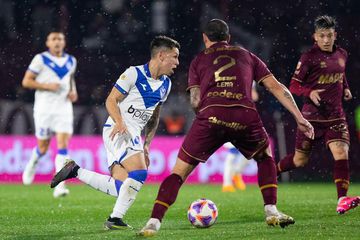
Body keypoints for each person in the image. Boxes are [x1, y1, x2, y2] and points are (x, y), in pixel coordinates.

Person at [139, 19, 314, 236]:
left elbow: (194, 100)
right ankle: (271, 210)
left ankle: (154, 222)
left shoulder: (199, 60)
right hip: (244, 114)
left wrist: (207, 118)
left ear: (205, 39)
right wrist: (299, 117)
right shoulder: (247, 55)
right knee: (264, 157)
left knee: (179, 173)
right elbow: (277, 87)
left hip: (211, 116)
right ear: (228, 38)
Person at [50, 36, 180, 229]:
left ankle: (74, 170)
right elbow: (111, 100)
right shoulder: (133, 74)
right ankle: (115, 219)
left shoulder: (165, 85)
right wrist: (120, 122)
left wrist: (147, 144)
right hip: (117, 130)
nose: (177, 63)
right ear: (161, 55)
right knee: (140, 173)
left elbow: (154, 116)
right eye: (175, 57)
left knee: (120, 187)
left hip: (132, 135)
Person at [276, 15, 359, 214]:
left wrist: (345, 88)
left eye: (329, 35)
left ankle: (342, 199)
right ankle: (272, 170)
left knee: (341, 152)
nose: (326, 40)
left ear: (335, 35)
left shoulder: (342, 54)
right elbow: (294, 85)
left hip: (336, 116)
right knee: (299, 161)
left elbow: (341, 74)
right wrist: (309, 92)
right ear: (315, 36)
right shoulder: (308, 57)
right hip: (311, 118)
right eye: (322, 36)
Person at [22, 31, 78, 198]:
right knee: (43, 147)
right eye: (53, 39)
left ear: (64, 42)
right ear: (48, 43)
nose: (57, 42)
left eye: (60, 39)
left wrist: (73, 92)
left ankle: (60, 186)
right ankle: (32, 163)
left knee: (63, 145)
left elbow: (70, 79)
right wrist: (47, 86)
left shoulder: (71, 61)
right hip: (44, 108)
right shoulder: (40, 59)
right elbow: (26, 81)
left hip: (64, 108)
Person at [222, 83, 259, 192]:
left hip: (246, 117)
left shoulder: (250, 79)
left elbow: (255, 96)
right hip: (230, 117)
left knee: (251, 150)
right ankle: (227, 184)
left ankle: (236, 173)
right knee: (232, 151)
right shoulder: (226, 77)